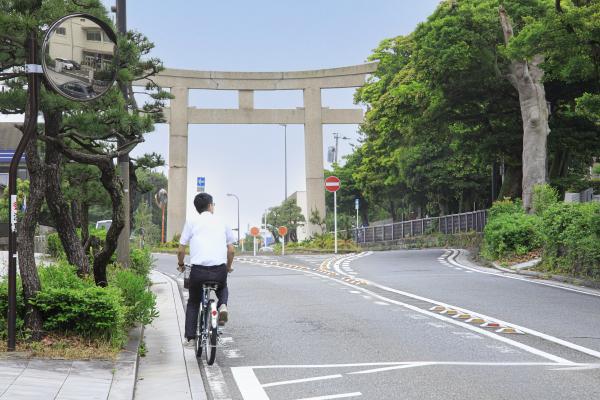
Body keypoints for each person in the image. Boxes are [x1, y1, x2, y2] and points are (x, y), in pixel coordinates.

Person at [177, 193, 235, 346]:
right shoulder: (222, 221)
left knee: (194, 301)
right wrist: (228, 267)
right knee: (222, 288)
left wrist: (181, 264)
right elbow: (231, 250)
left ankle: (190, 337)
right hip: (219, 270)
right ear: (210, 206)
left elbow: (181, 249)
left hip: (198, 271)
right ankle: (222, 305)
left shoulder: (192, 221)